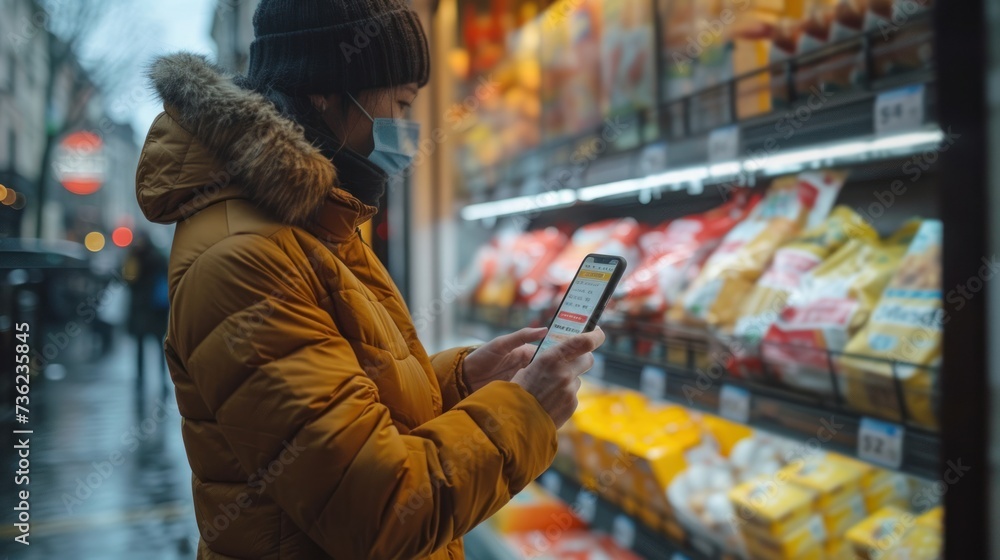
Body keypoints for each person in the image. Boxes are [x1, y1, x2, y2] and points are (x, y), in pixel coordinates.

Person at [134, 1, 604, 558]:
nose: (409, 127)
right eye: (401, 102)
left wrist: (461, 385)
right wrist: (525, 411)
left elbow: (347, 409)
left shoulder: (316, 219)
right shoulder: (246, 259)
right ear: (323, 92)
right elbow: (378, 511)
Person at [122, 229, 169, 399]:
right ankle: (141, 378)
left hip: (153, 308)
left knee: (158, 345)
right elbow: (127, 277)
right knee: (141, 345)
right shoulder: (134, 256)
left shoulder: (153, 257)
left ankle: (161, 379)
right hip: (144, 309)